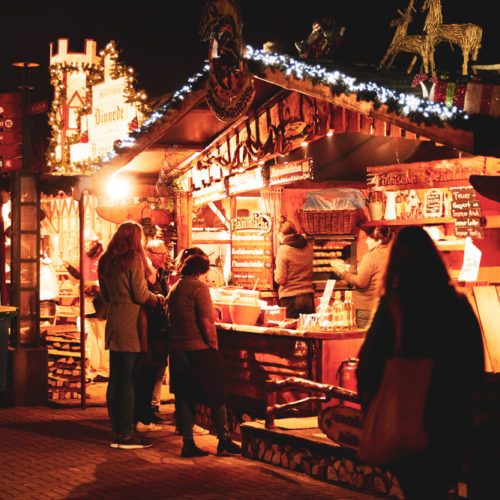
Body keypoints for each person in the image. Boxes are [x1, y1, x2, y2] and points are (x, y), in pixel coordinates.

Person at [356, 226, 485, 499]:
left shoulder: (394, 308)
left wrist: (369, 404)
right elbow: (474, 363)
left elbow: (368, 364)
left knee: (417, 490)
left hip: (408, 417)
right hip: (451, 416)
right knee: (439, 486)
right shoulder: (458, 304)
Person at [167, 250, 241, 458]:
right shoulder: (199, 288)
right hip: (199, 349)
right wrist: (213, 345)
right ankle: (224, 439)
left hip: (178, 349)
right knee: (217, 395)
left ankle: (188, 442)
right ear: (201, 271)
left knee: (184, 397)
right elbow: (206, 322)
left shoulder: (174, 289)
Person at [98, 221, 161, 450]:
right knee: (127, 380)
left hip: (114, 319)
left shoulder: (106, 260)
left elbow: (104, 294)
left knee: (115, 379)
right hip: (131, 321)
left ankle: (117, 429)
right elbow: (140, 293)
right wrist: (158, 300)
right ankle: (125, 433)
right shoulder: (133, 258)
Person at [134, 239, 171, 432]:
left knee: (157, 372)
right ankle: (144, 414)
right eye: (160, 253)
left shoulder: (162, 274)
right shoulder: (144, 274)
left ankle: (151, 409)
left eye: (165, 253)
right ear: (148, 254)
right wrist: (159, 300)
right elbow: (145, 299)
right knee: (147, 373)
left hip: (160, 331)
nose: (164, 257)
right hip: (149, 331)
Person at [65, 228, 108, 381]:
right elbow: (80, 275)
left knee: (101, 335)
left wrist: (94, 284)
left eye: (87, 242)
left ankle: (104, 370)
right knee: (89, 337)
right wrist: (68, 268)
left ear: (96, 243)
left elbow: (109, 280)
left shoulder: (105, 258)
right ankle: (92, 368)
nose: (84, 245)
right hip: (87, 300)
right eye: (83, 242)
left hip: (101, 301)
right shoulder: (84, 258)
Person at [331, 226, 393, 328]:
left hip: (365, 309)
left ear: (378, 241)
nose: (366, 242)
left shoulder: (371, 256)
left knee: (364, 340)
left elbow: (361, 282)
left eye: (369, 238)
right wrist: (350, 267)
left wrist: (342, 272)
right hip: (382, 307)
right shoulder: (391, 253)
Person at [274, 216, 315, 319]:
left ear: (281, 234)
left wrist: (275, 272)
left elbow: (281, 279)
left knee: (290, 333)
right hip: (308, 297)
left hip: (290, 298)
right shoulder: (309, 246)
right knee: (308, 330)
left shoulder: (283, 250)